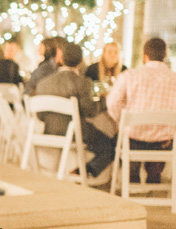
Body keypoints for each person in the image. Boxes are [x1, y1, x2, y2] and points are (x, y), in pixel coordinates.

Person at [36, 42, 115, 184]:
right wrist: (105, 100)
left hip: (49, 131)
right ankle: (84, 171)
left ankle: (79, 171)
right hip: (74, 134)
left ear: (60, 59)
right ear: (80, 62)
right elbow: (90, 111)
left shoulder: (43, 83)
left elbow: (40, 115)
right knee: (110, 146)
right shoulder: (83, 82)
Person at [107, 37, 176, 184]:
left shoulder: (129, 76)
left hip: (133, 138)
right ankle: (154, 176)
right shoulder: (174, 78)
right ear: (164, 56)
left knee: (130, 144)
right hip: (163, 142)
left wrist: (122, 121)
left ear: (145, 56)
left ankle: (132, 180)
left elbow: (112, 103)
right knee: (160, 144)